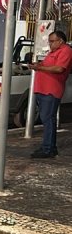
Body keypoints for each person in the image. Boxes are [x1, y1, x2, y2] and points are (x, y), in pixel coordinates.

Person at [28, 30, 72, 159]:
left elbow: (59, 69)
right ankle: (48, 146)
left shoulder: (66, 51)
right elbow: (48, 65)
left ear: (60, 41)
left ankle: (48, 149)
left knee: (48, 119)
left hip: (51, 90)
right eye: (49, 41)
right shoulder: (53, 52)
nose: (50, 44)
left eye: (52, 41)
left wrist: (39, 68)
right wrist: (39, 64)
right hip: (42, 89)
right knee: (45, 119)